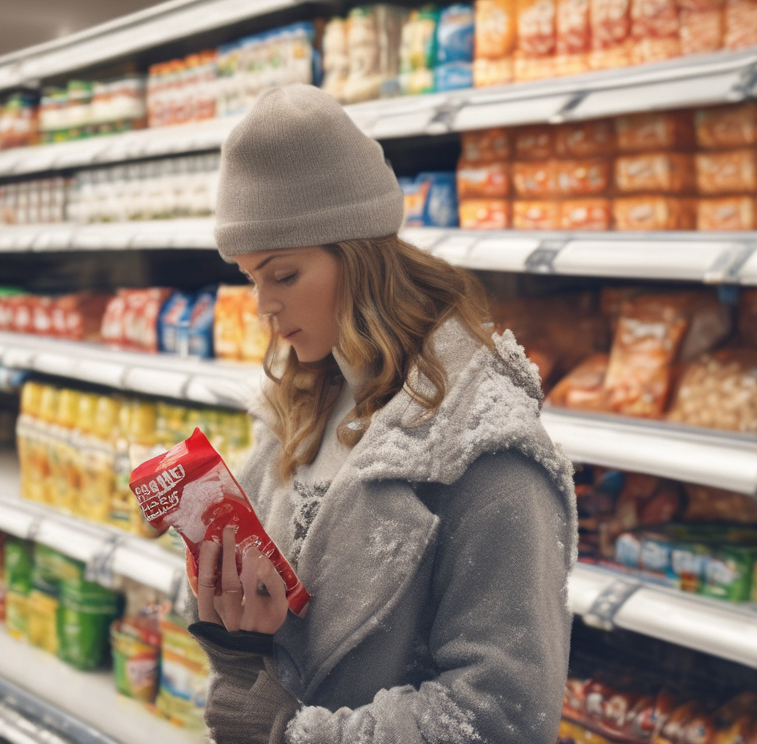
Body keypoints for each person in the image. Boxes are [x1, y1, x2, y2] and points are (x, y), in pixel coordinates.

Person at [185, 83, 575, 744]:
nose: (264, 309)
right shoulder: (300, 407)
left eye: (283, 275)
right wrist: (235, 638)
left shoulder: (488, 453)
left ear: (359, 258)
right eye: (251, 277)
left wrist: (291, 733)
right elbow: (276, 659)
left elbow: (501, 716)